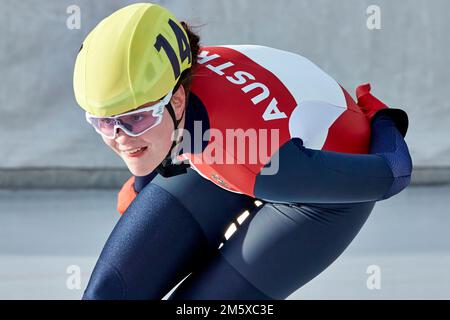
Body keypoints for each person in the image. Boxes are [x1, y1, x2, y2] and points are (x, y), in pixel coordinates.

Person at [73, 3, 412, 300]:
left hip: (314, 190)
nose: (119, 138)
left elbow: (394, 173)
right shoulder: (175, 89)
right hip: (245, 144)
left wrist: (381, 118)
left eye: (134, 119)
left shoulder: (254, 156)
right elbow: (156, 134)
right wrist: (140, 185)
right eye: (104, 122)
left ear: (176, 100)